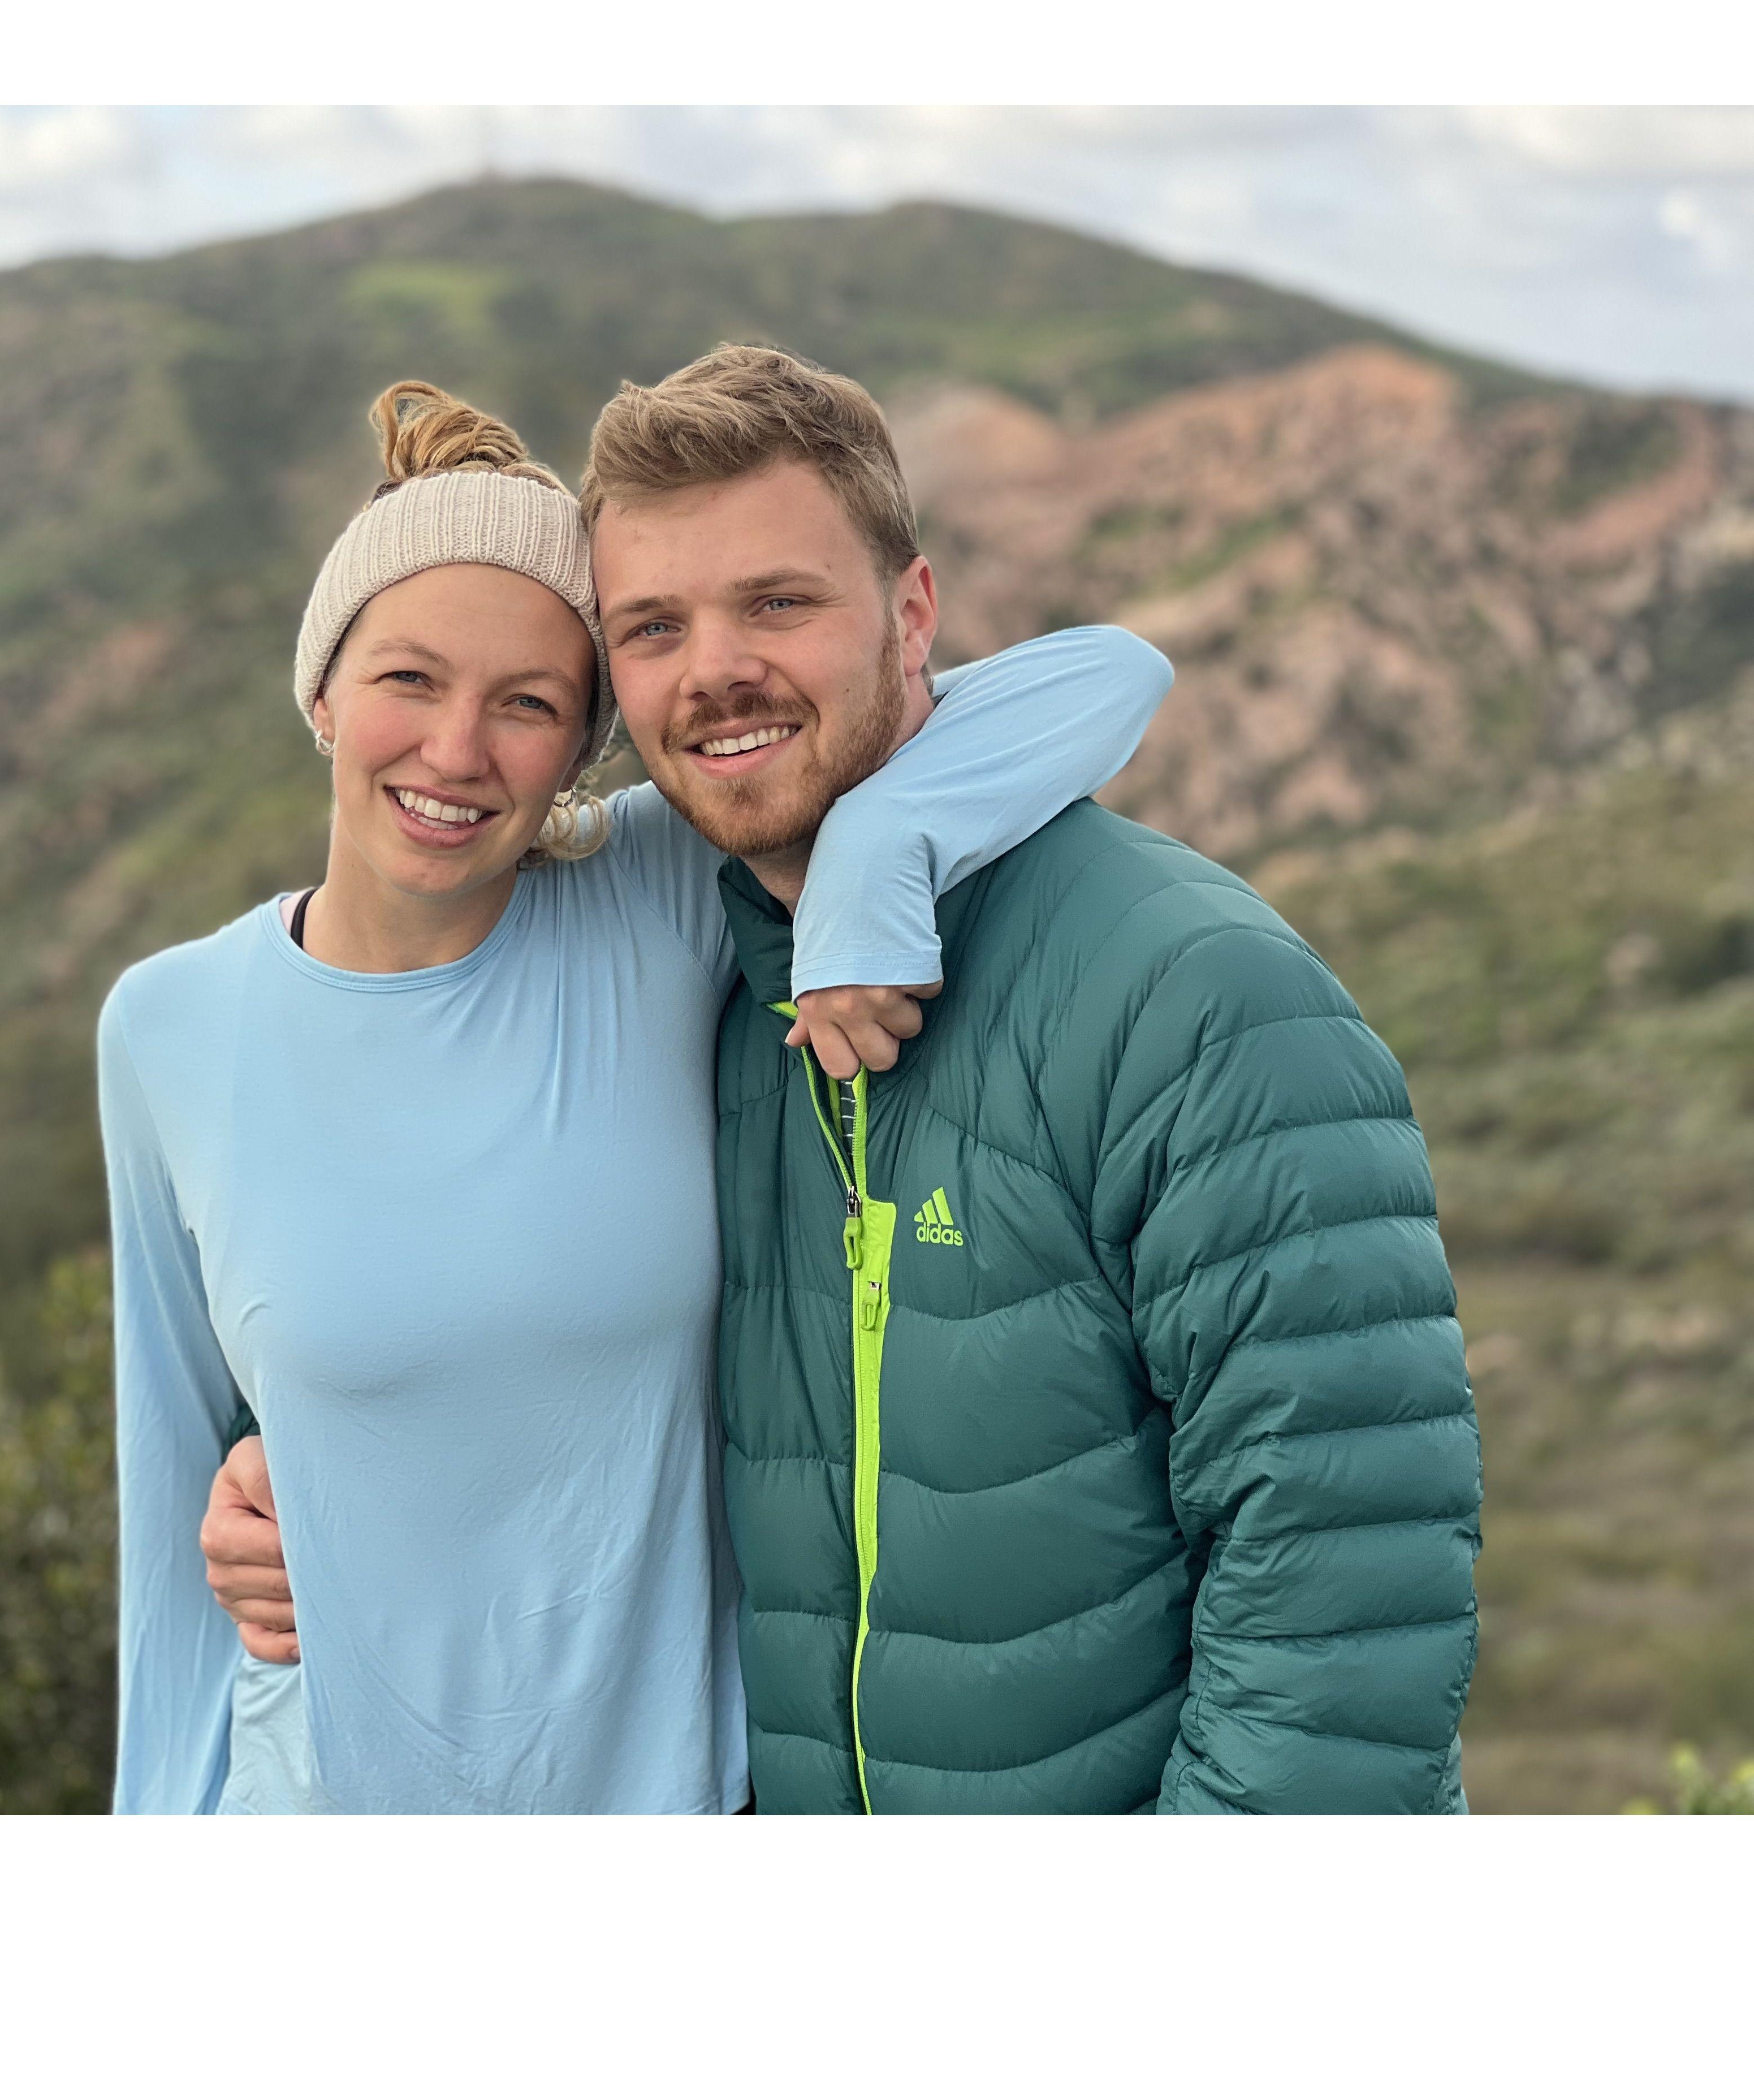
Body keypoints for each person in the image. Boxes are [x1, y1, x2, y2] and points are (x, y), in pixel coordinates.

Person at [214, 344, 1483, 1815]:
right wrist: (299, 1467)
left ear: (915, 612)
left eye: (778, 603)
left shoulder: (1192, 994)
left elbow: (1346, 1593)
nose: (716, 669)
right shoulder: (676, 981)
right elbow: (488, 1286)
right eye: (654, 625)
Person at [105, 376, 1172, 1814]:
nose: (458, 752)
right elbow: (172, 1526)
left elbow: (1110, 677)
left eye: (529, 705)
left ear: (582, 746)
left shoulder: (653, 892)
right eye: (409, 679)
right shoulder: (169, 1028)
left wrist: (874, 865)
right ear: (322, 691)